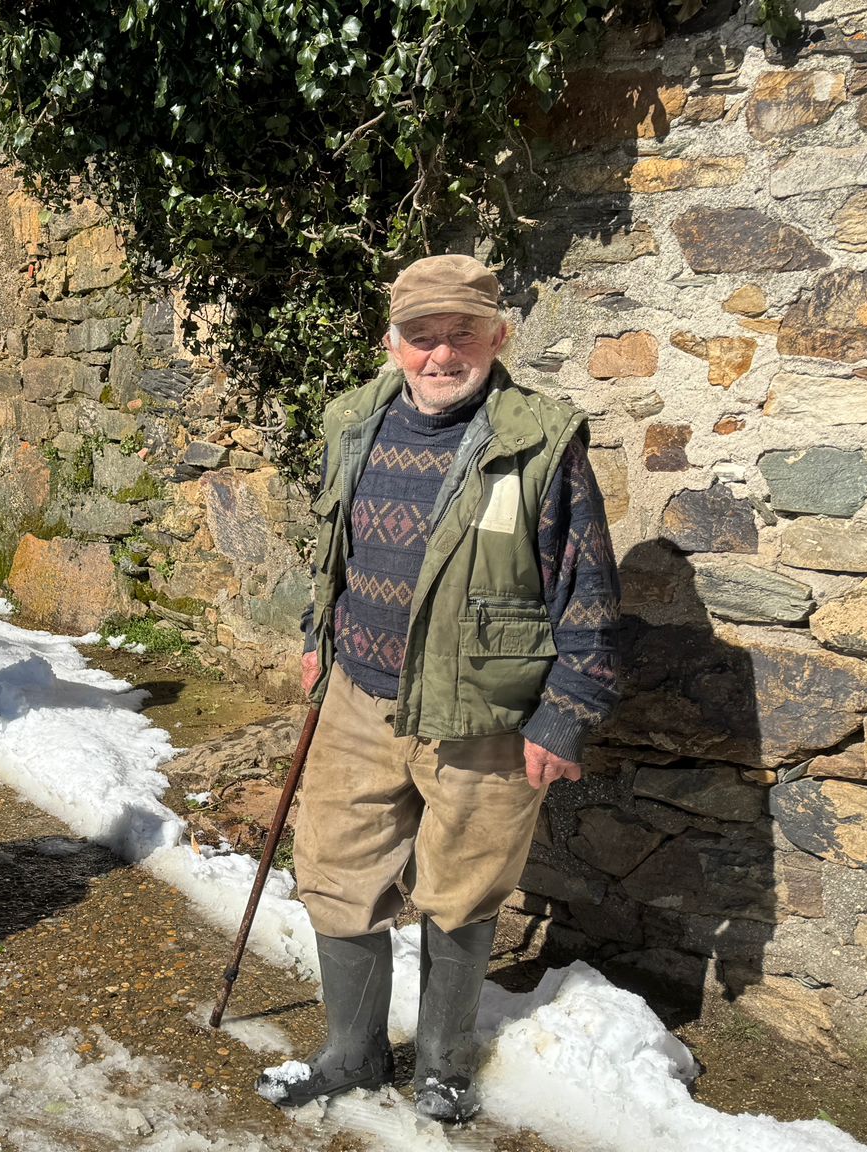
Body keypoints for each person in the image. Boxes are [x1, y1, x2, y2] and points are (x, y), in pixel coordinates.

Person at [258, 254, 621, 1123]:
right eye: (422, 337)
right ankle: (350, 1054)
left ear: (499, 337)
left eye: (462, 334)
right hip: (357, 698)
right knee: (336, 873)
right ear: (393, 344)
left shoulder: (539, 442)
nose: (441, 354)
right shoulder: (355, 422)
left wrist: (565, 717)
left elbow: (591, 592)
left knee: (463, 886)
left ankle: (445, 1064)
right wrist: (319, 640)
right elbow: (331, 551)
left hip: (484, 716)